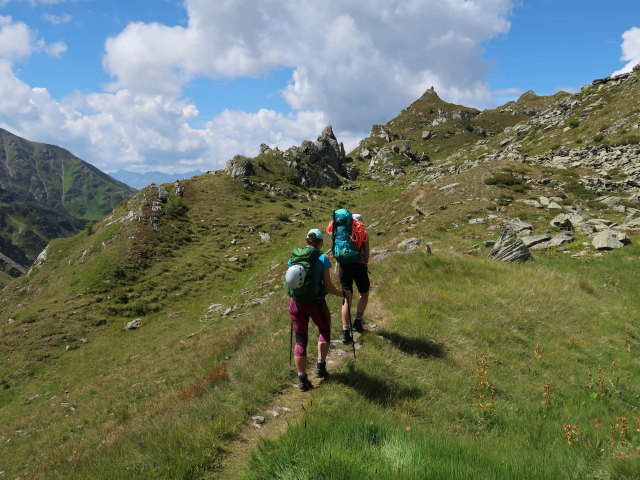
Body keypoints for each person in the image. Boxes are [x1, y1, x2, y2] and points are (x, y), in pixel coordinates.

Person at [288, 228, 343, 391]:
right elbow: (328, 285)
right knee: (324, 330)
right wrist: (343, 294)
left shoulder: (295, 257)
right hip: (316, 303)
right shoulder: (322, 258)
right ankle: (320, 367)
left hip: (296, 303)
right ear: (320, 243)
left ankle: (302, 380)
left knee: (300, 339)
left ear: (307, 241)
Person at [327, 212, 371, 345]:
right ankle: (357, 322)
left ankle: (345, 333)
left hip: (344, 267)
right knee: (364, 294)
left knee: (347, 298)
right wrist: (364, 263)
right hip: (359, 267)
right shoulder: (363, 233)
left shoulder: (339, 233)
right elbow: (367, 255)